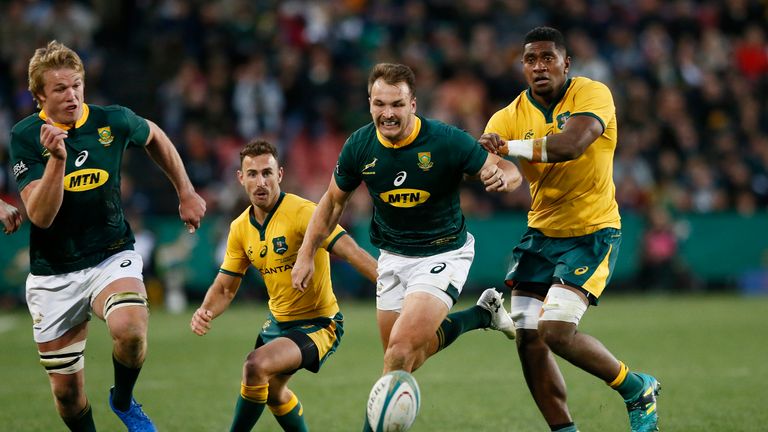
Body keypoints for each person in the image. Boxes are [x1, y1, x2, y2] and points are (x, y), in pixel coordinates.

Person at [291, 62, 523, 431]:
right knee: (407, 358)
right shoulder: (360, 146)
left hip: (444, 253)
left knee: (398, 354)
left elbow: (507, 170)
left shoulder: (445, 140)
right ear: (369, 103)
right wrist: (306, 254)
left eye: (397, 104)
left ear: (413, 104)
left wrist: (503, 178)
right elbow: (332, 204)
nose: (388, 113)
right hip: (394, 258)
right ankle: (482, 315)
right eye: (380, 104)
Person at [9, 40, 206, 432]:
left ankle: (123, 399)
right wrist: (57, 162)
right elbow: (42, 217)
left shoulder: (110, 121)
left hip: (110, 253)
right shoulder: (26, 137)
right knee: (67, 394)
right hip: (54, 272)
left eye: (76, 85)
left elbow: (156, 137)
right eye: (60, 89)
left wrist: (185, 191)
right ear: (38, 96)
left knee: (130, 329)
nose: (72, 95)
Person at [479, 27, 660, 432]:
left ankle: (635, 388)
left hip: (591, 232)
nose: (539, 66)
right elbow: (508, 172)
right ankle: (564, 430)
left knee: (556, 331)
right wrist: (501, 176)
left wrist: (508, 149)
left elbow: (572, 144)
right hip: (541, 235)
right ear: (522, 66)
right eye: (530, 59)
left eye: (547, 58)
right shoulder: (506, 116)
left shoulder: (593, 94)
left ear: (566, 63)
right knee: (528, 339)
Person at [190, 139, 378, 432]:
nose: (260, 181)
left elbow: (350, 251)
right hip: (278, 324)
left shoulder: (303, 212)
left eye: (267, 172)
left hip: (319, 324)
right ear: (241, 179)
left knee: (255, 366)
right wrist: (206, 310)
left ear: (280, 174)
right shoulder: (240, 228)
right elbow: (226, 287)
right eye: (252, 174)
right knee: (274, 394)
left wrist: (389, 286)